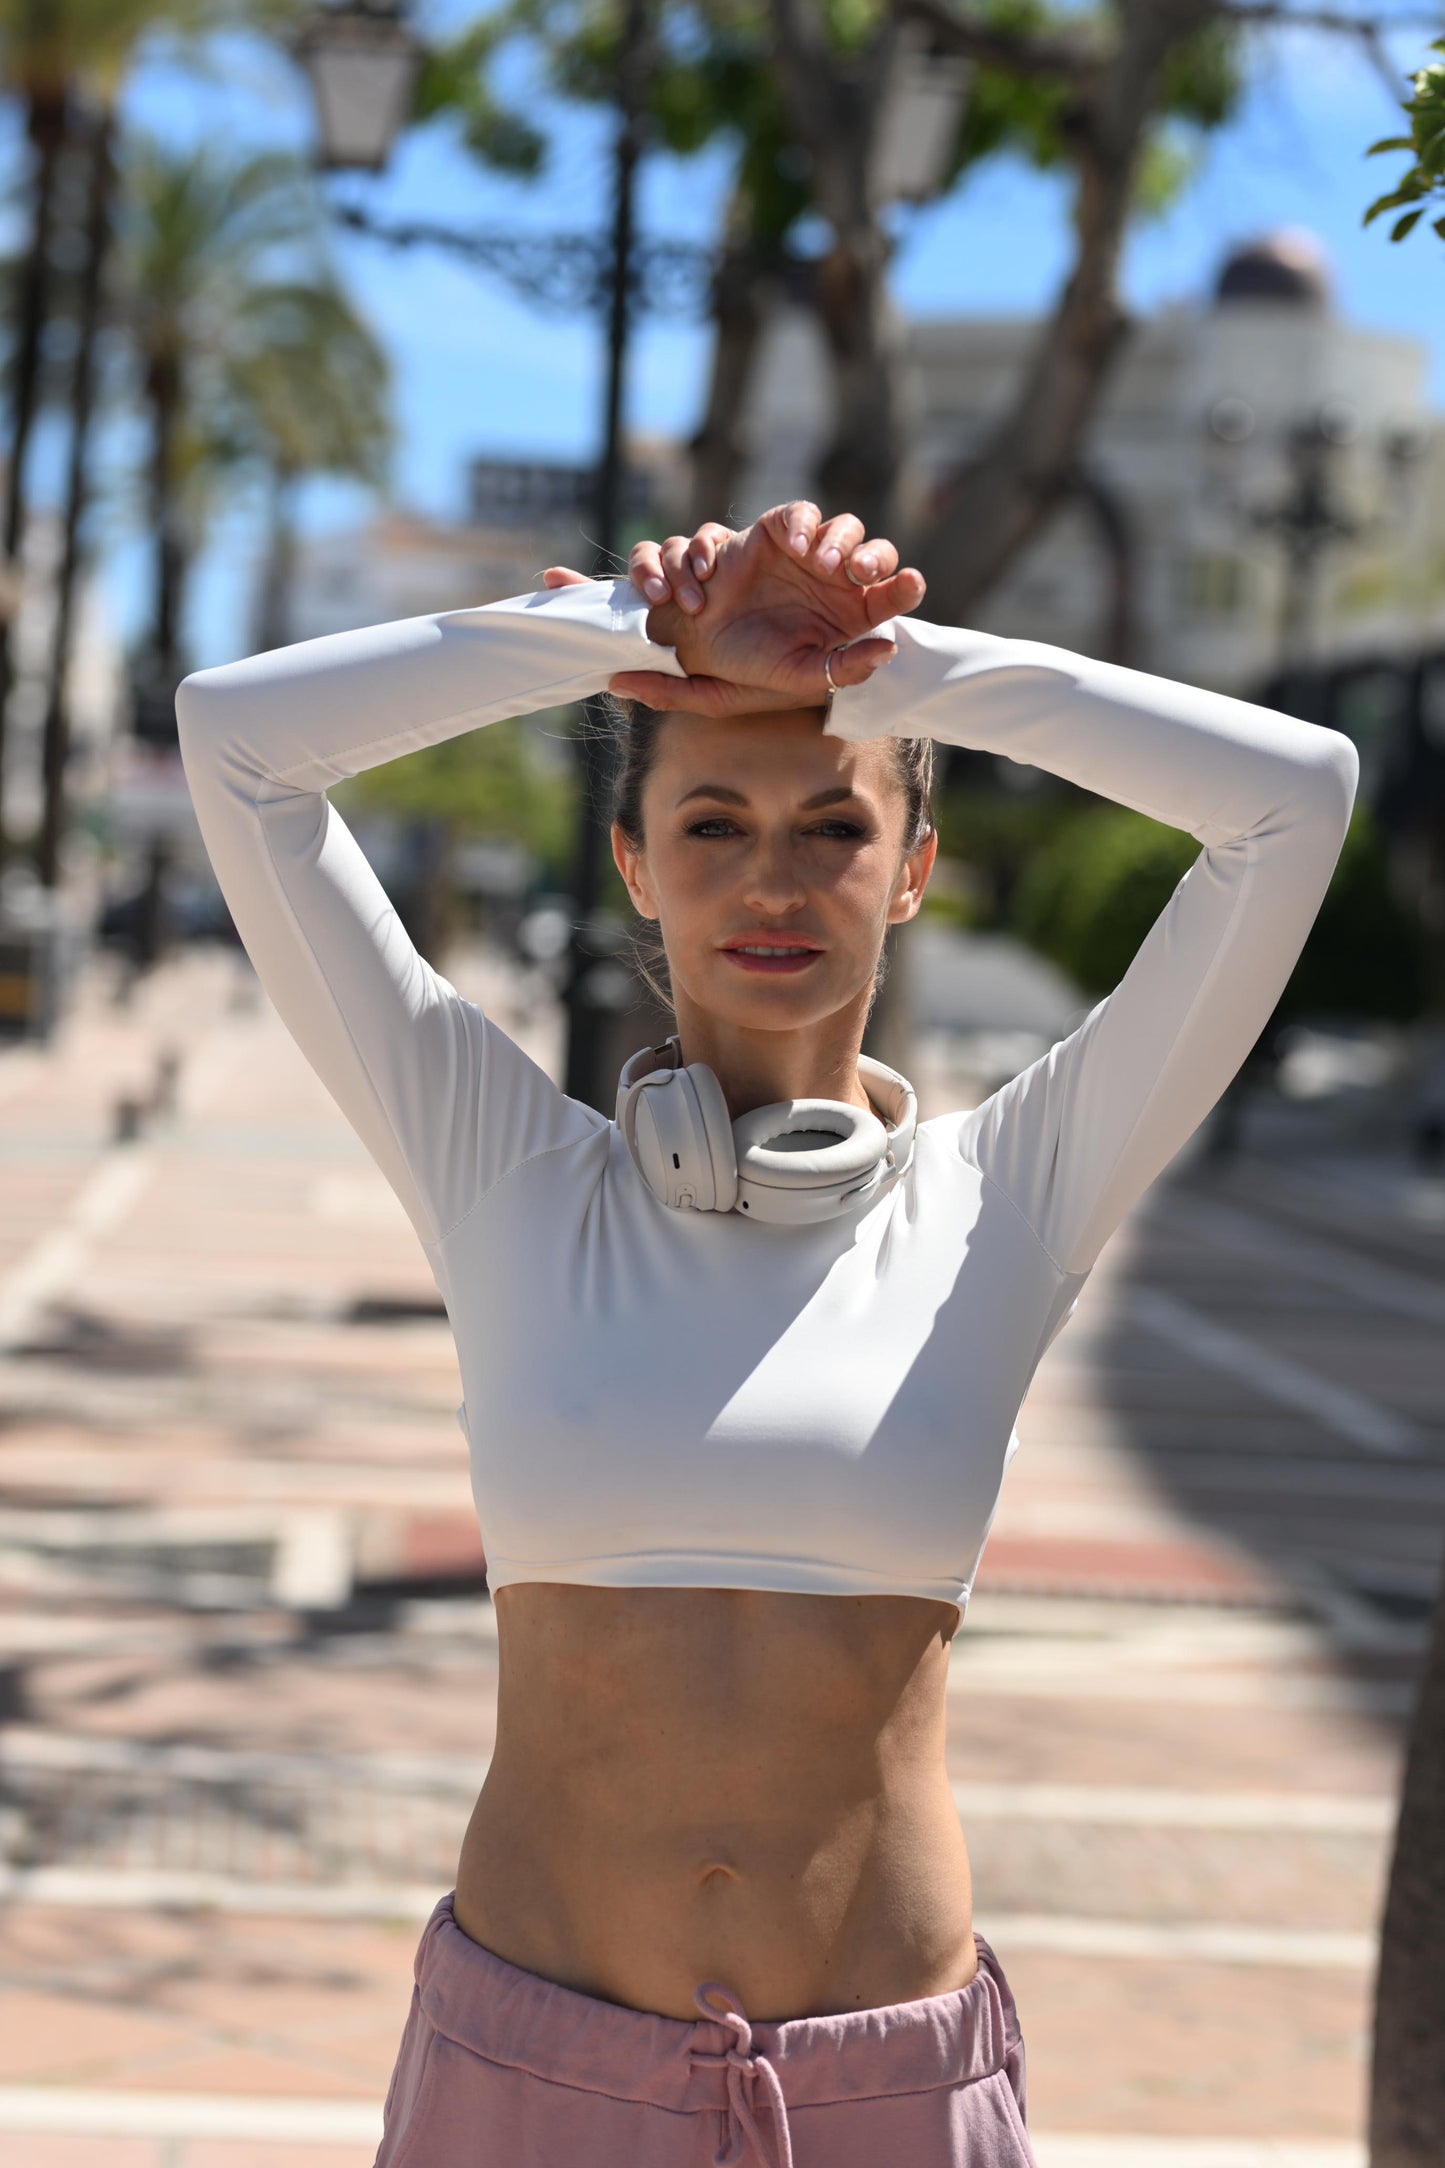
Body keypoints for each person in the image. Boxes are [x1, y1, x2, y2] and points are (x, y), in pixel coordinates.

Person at [175, 500, 1358, 2168]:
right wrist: (632, 635)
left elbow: (1291, 798)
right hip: (533, 2073)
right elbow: (235, 747)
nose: (774, 880)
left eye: (834, 825)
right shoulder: (508, 1172)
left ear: (918, 865)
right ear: (634, 870)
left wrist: (881, 665)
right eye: (712, 824)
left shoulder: (1005, 1198)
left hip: (885, 2087)